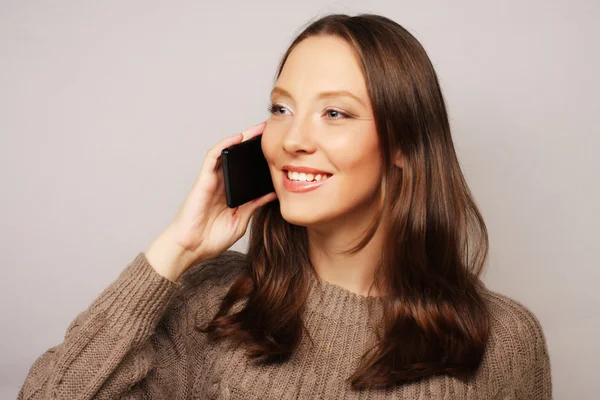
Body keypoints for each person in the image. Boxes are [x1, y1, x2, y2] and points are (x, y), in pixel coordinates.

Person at [18, 13, 552, 399]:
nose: (292, 138)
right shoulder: (213, 301)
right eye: (281, 107)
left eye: (335, 114)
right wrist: (174, 252)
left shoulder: (503, 341)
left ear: (404, 148)